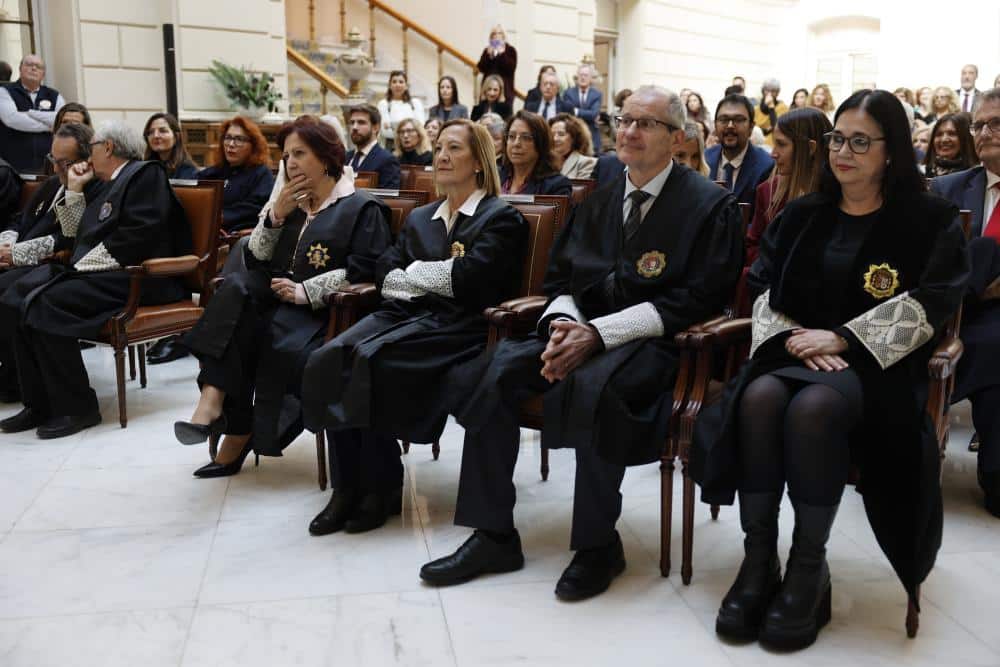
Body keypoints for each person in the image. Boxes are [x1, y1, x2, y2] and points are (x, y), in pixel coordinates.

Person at [420, 86, 743, 599]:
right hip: (580, 330)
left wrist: (600, 335)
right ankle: (493, 534)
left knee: (596, 389)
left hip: (655, 342)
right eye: (625, 119)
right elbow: (561, 280)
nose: (630, 131)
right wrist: (562, 328)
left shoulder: (710, 205)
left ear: (677, 137)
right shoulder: (600, 194)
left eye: (646, 123)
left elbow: (699, 299)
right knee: (495, 369)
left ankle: (597, 546)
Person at [691, 89, 969, 650]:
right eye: (838, 138)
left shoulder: (927, 219)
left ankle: (808, 570)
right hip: (793, 351)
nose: (843, 151)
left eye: (860, 141)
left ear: (891, 151)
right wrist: (799, 339)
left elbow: (936, 299)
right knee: (758, 400)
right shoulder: (802, 214)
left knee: (814, 408)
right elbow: (764, 284)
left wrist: (844, 338)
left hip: (877, 369)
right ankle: (759, 561)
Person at [301, 118, 526, 536]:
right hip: (404, 315)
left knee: (371, 360)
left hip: (459, 327)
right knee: (329, 357)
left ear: (479, 162)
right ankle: (347, 487)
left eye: (454, 149)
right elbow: (387, 270)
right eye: (438, 147)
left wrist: (416, 274)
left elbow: (472, 280)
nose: (441, 156)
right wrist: (433, 277)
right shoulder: (423, 217)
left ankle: (381, 488)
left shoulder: (500, 217)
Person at [174, 116, 391, 477]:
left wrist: (307, 291)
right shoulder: (291, 203)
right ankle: (212, 403)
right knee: (237, 288)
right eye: (286, 154)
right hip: (275, 301)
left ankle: (233, 427)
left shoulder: (361, 207)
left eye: (300, 153)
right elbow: (256, 256)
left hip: (324, 314)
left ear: (326, 158)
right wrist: (275, 215)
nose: (290, 163)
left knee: (236, 335)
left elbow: (365, 272)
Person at [0, 120, 192, 439]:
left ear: (108, 147)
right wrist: (75, 191)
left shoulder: (146, 174)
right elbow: (74, 236)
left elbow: (137, 237)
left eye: (91, 149)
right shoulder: (107, 181)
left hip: (143, 277)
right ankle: (40, 403)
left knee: (46, 302)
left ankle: (78, 407)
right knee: (20, 296)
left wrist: (81, 266)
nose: (87, 158)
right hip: (107, 272)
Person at [930, 88, 1000, 516]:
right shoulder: (949, 188)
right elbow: (929, 261)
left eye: (997, 124)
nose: (985, 133)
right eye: (979, 125)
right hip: (958, 309)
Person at [0, 123, 105, 402]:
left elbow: (69, 240)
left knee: (8, 293)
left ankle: (16, 382)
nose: (57, 168)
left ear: (86, 159)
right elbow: (20, 220)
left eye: (65, 162)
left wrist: (17, 253)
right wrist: (7, 242)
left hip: (50, 264)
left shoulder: (90, 189)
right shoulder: (49, 185)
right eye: (53, 160)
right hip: (20, 257)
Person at [746, 108, 832, 269]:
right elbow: (752, 246)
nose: (773, 153)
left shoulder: (839, 195)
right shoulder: (767, 190)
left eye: (781, 144)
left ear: (810, 148)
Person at [197, 116, 274, 232]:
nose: (231, 144)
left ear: (253, 145)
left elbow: (256, 207)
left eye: (239, 139)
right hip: (207, 229)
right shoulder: (214, 172)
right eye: (228, 138)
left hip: (239, 234)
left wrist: (222, 217)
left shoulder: (261, 173)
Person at [706, 93, 775, 216]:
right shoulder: (705, 158)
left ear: (751, 127)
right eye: (724, 119)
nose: (730, 126)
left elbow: (763, 220)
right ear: (715, 125)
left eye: (738, 120)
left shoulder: (767, 166)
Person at [0, 55, 65, 173]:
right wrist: (49, 125)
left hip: (47, 167)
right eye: (29, 65)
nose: (33, 68)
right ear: (20, 69)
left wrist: (30, 113)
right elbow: (12, 119)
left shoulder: (54, 95)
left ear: (43, 74)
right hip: (13, 167)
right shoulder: (4, 91)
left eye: (38, 67)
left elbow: (61, 119)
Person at [499, 110, 572, 197]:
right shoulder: (494, 177)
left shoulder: (556, 185)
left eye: (526, 137)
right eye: (511, 136)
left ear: (541, 143)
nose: (516, 143)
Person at [344, 104, 401, 188]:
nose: (354, 127)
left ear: (375, 128)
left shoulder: (387, 160)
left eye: (361, 122)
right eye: (352, 123)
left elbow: (387, 199)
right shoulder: (345, 157)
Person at [376, 70, 425, 148]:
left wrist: (392, 125)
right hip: (391, 147)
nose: (397, 85)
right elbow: (385, 132)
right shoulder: (383, 104)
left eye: (401, 82)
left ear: (406, 86)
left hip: (414, 147)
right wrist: (410, 129)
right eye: (394, 82)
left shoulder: (415, 103)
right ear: (389, 85)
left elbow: (420, 127)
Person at [142, 112, 198, 180]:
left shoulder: (187, 171)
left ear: (176, 137)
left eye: (163, 131)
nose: (155, 136)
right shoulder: (145, 168)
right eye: (151, 132)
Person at [563, 63, 603, 153]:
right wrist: (587, 113)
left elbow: (593, 114)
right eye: (580, 75)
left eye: (585, 75)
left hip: (592, 138)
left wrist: (576, 111)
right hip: (573, 137)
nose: (583, 77)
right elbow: (569, 113)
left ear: (590, 78)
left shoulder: (597, 94)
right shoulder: (568, 93)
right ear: (577, 77)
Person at [923, 112, 978, 178]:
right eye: (939, 134)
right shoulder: (924, 172)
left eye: (952, 134)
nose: (944, 140)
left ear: (965, 138)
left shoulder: (976, 175)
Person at [477, 25, 517, 109]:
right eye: (494, 33)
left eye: (499, 33)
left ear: (504, 36)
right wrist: (488, 56)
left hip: (505, 92)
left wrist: (502, 54)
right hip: (488, 90)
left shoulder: (510, 50)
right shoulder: (487, 50)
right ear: (491, 37)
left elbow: (511, 68)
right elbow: (481, 67)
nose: (497, 35)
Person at [549, 112, 596, 179]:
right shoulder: (545, 164)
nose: (555, 139)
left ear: (574, 138)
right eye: (552, 134)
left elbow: (582, 189)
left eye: (561, 134)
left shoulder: (586, 162)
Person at [754, 78, 788, 146]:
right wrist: (767, 130)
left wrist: (771, 107)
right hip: (757, 141)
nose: (769, 94)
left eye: (773, 91)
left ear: (777, 93)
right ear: (763, 91)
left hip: (773, 143)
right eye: (767, 90)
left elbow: (777, 127)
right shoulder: (756, 108)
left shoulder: (782, 107)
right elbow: (754, 128)